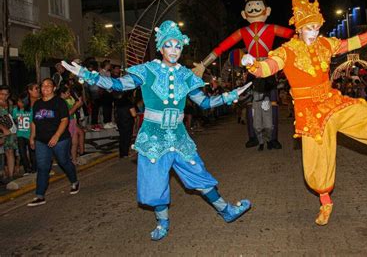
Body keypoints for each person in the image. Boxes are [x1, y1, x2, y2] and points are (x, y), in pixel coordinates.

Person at [242, 0, 367, 226]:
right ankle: (325, 203)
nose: (314, 33)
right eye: (310, 28)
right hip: (310, 114)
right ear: (299, 29)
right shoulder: (287, 51)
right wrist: (252, 64)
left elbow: (351, 43)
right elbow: (268, 68)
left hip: (333, 102)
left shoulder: (325, 44)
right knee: (318, 162)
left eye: (317, 28)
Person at [62, 20, 252, 241]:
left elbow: (205, 103)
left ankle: (226, 210)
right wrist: (90, 76)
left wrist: (230, 96)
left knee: (199, 174)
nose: (174, 50)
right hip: (153, 136)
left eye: (178, 46)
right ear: (161, 47)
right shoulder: (147, 70)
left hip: (179, 136)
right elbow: (118, 85)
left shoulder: (187, 75)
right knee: (155, 182)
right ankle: (162, 222)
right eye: (169, 45)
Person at [193, 0, 293, 149]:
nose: (254, 8)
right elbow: (222, 47)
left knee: (271, 103)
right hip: (251, 70)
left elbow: (292, 35)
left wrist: (309, 37)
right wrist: (204, 64)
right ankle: (253, 136)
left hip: (268, 69)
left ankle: (272, 138)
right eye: (251, 6)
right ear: (244, 14)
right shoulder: (242, 32)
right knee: (249, 104)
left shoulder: (272, 28)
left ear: (267, 11)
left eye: (258, 5)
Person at [27, 78, 79, 207]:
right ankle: (40, 195)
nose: (45, 88)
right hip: (41, 140)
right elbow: (34, 122)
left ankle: (74, 181)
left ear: (54, 88)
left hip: (60, 139)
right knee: (43, 167)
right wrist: (32, 137)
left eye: (48, 85)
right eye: (43, 86)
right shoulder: (37, 104)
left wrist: (56, 135)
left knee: (63, 161)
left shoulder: (59, 102)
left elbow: (64, 120)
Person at [12, 92, 34, 174]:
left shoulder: (31, 111)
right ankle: (27, 169)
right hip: (20, 134)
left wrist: (32, 135)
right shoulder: (15, 110)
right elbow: (14, 120)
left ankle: (34, 168)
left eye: (21, 102)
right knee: (22, 153)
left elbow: (33, 123)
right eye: (18, 101)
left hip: (29, 134)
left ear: (26, 102)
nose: (19, 103)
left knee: (32, 153)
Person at [0, 85, 17, 179]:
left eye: (6, 94)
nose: (4, 96)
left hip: (10, 131)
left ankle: (10, 175)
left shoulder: (10, 104)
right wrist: (3, 128)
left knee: (10, 151)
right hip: (3, 131)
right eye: (2, 94)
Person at [114, 90, 137, 158]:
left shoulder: (118, 102)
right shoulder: (129, 102)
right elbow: (134, 114)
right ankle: (125, 154)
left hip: (120, 121)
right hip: (128, 122)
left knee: (122, 137)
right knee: (127, 138)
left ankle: (121, 153)